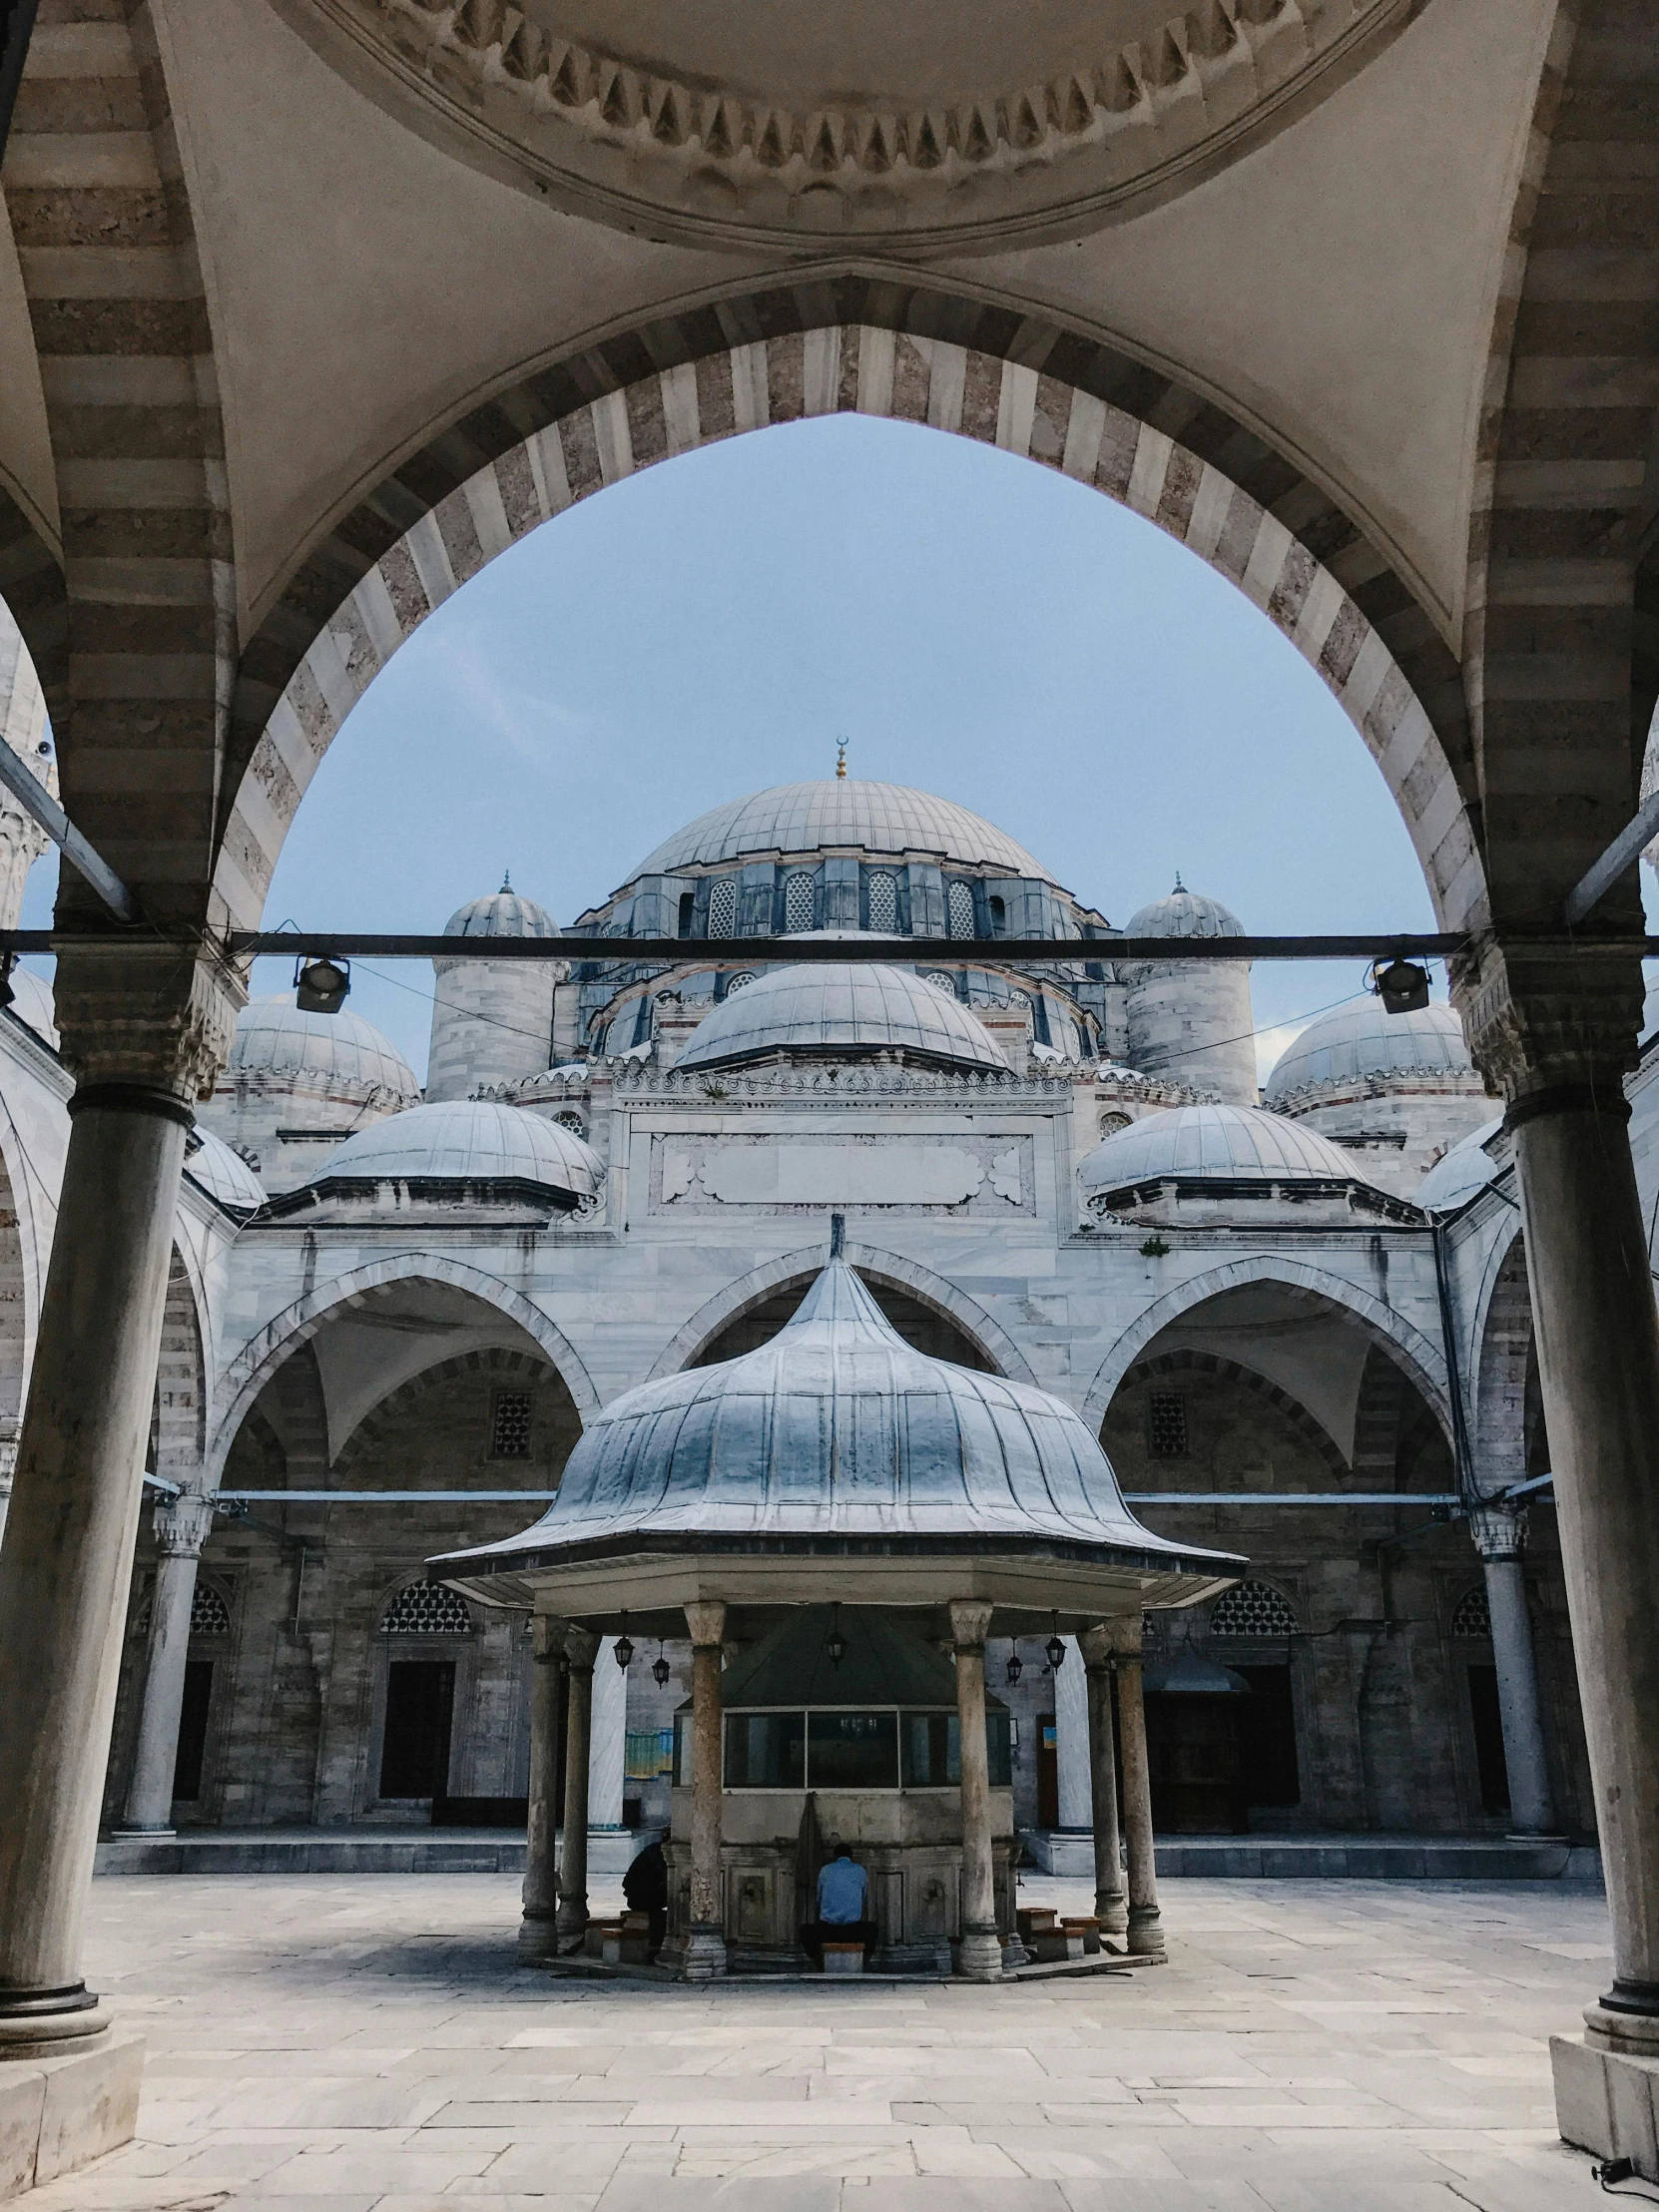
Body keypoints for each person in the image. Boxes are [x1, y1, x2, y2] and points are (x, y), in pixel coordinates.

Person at [800, 1843, 879, 1966]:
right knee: (873, 1929)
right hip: (853, 1930)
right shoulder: (860, 1871)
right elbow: (862, 1897)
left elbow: (819, 1899)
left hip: (828, 1930)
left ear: (835, 1856)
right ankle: (865, 1962)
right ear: (851, 1856)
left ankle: (819, 1963)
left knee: (804, 1931)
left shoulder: (825, 1870)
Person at [622, 1837, 668, 1958]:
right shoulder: (655, 1852)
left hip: (643, 1895)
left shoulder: (655, 1850)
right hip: (639, 1898)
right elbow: (664, 1874)